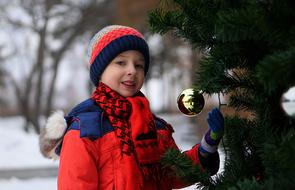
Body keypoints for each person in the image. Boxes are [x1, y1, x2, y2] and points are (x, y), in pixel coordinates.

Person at [39, 25, 224, 190]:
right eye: (121, 62)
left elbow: (173, 174)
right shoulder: (85, 130)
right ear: (100, 71)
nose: (132, 71)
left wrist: (207, 147)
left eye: (139, 65)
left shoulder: (154, 127)